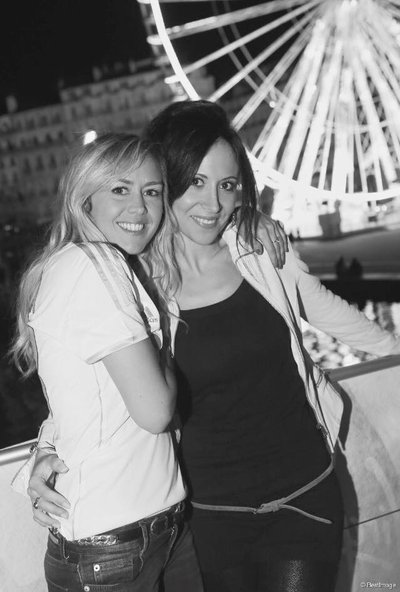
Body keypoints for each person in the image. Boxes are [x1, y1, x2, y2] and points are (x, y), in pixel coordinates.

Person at [24, 101, 400, 591]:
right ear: (168, 182)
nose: (213, 203)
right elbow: (97, 386)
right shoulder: (139, 284)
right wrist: (46, 448)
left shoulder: (258, 252)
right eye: (196, 182)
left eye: (228, 185)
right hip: (208, 518)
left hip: (304, 495)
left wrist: (393, 348)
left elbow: (338, 317)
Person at [10, 133, 205, 592]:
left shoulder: (89, 266)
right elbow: (155, 411)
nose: (140, 207)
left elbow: (83, 394)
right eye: (120, 189)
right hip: (115, 547)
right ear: (85, 200)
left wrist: (45, 447)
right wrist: (165, 342)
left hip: (148, 531)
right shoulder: (94, 264)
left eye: (152, 191)